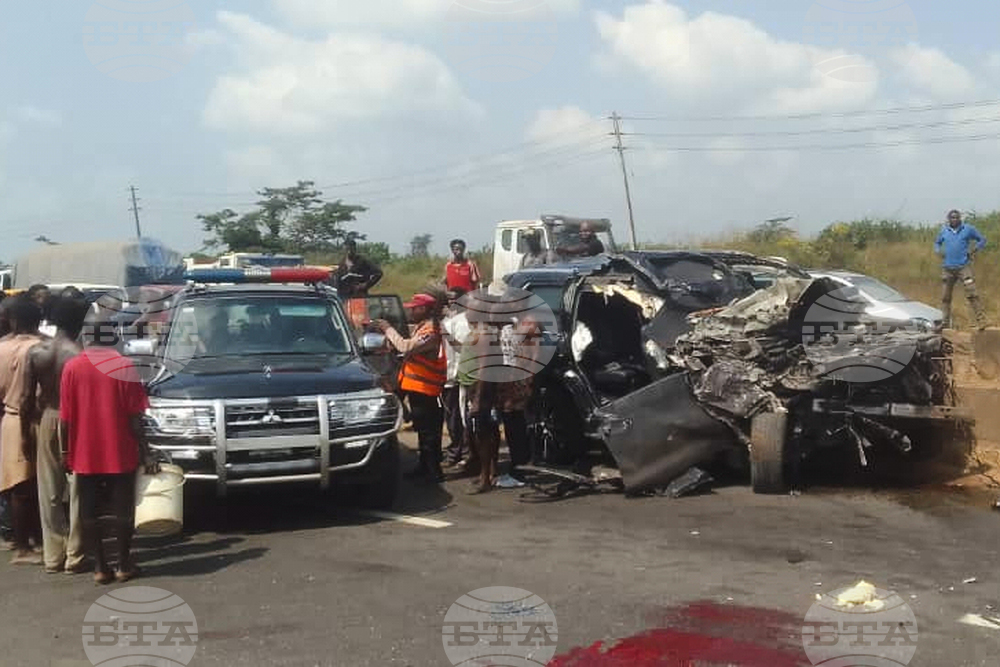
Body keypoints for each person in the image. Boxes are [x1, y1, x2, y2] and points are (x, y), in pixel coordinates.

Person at [61, 313, 152, 584]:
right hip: (120, 448)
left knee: (88, 510)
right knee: (123, 508)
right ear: (112, 336)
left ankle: (100, 567)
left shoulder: (72, 367)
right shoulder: (124, 365)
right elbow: (136, 417)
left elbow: (66, 418)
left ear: (86, 337)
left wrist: (65, 453)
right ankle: (124, 564)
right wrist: (146, 450)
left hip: (84, 450)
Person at [23, 296, 90, 573]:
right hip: (75, 421)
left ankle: (53, 556)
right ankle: (75, 555)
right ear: (78, 323)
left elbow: (27, 397)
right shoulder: (80, 355)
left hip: (47, 416)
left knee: (48, 490)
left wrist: (27, 432)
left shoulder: (37, 352)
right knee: (78, 490)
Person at [374, 293, 446, 483]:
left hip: (427, 389)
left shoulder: (430, 330)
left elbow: (406, 347)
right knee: (423, 431)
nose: (411, 311)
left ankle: (433, 471)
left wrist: (388, 329)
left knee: (429, 433)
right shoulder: (424, 327)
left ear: (424, 309)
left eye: (415, 308)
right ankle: (424, 467)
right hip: (418, 388)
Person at [0, 296, 44, 564]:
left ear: (12, 320)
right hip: (37, 419)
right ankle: (27, 546)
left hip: (10, 418)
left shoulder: (2, 348)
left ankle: (22, 541)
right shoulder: (42, 347)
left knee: (16, 485)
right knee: (33, 486)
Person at [934, 210, 988, 330]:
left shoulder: (968, 229)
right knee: (945, 297)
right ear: (948, 219)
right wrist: (938, 250)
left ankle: (981, 321)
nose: (954, 219)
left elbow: (982, 239)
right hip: (948, 268)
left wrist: (973, 250)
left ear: (960, 218)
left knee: (972, 293)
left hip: (964, 267)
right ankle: (945, 323)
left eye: (956, 217)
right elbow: (937, 243)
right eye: (952, 218)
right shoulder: (944, 230)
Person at [441, 289, 471, 468]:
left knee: (463, 418)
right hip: (447, 376)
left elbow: (464, 349)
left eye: (454, 299)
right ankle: (456, 450)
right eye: (449, 299)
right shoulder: (446, 321)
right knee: (452, 418)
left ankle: (465, 453)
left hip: (461, 376)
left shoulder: (467, 322)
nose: (451, 302)